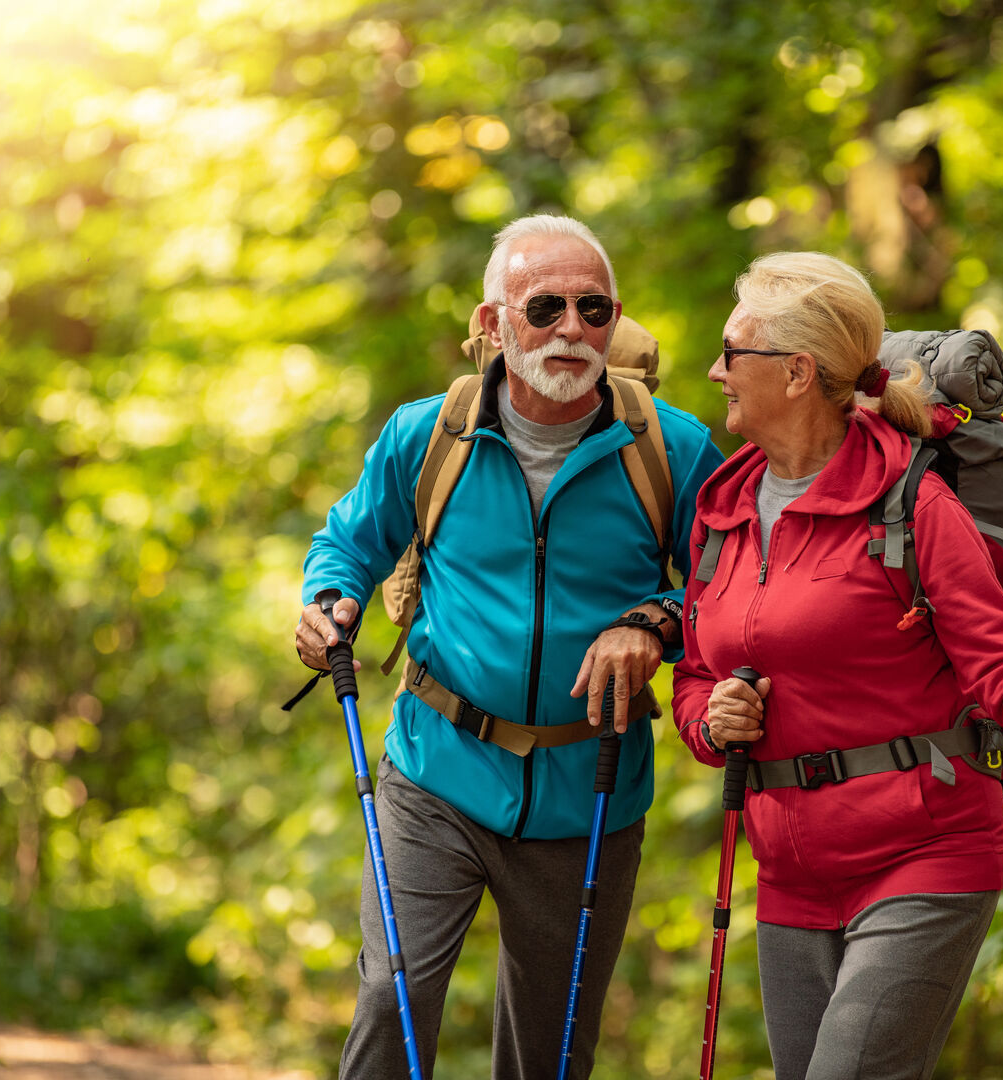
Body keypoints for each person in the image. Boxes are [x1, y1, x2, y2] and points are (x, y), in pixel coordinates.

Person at [670, 251, 1003, 1080]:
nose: (715, 371)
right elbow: (697, 678)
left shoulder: (911, 502)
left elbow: (1001, 666)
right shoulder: (724, 511)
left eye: (732, 353)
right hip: (790, 876)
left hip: (922, 854)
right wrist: (711, 720)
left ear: (796, 372)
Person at [295, 214, 723, 1079]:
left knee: (552, 1049)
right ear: (492, 324)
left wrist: (655, 623)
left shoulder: (670, 449)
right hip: (437, 768)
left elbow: (733, 585)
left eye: (592, 308)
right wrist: (327, 599)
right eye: (546, 307)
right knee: (393, 998)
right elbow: (348, 541)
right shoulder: (429, 435)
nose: (572, 329)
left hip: (588, 790)